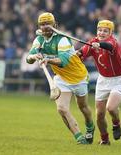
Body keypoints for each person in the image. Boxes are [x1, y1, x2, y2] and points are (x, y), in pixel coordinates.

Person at [26, 12, 95, 144]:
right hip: (61, 78)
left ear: (54, 25)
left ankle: (90, 126)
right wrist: (33, 57)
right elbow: (28, 58)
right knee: (62, 108)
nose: (45, 26)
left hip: (78, 76)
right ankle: (80, 138)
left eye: (48, 23)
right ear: (39, 26)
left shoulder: (62, 39)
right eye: (42, 24)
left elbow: (62, 61)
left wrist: (47, 59)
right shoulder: (39, 40)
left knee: (83, 107)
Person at [77, 20, 121, 145]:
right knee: (99, 114)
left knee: (111, 108)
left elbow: (108, 47)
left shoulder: (113, 43)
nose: (102, 32)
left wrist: (99, 45)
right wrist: (76, 54)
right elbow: (81, 53)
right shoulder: (93, 42)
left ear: (111, 32)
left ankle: (116, 123)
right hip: (102, 80)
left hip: (118, 80)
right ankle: (104, 139)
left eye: (105, 31)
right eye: (100, 30)